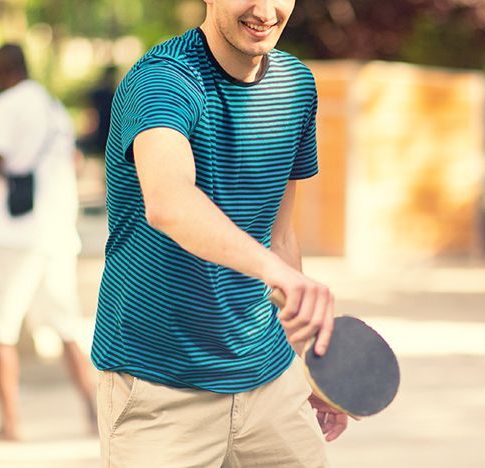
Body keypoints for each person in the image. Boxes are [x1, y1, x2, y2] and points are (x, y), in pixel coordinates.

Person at [91, 0, 348, 466]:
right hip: (160, 389)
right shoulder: (163, 79)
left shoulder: (296, 86)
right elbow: (169, 202)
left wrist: (315, 363)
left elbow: (281, 235)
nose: (265, 10)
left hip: (270, 377)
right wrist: (280, 274)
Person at [0, 44, 96, 441]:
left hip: (16, 235)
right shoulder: (53, 106)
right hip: (57, 231)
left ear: (0, 69)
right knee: (65, 326)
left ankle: (9, 424)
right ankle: (96, 416)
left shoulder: (6, 105)